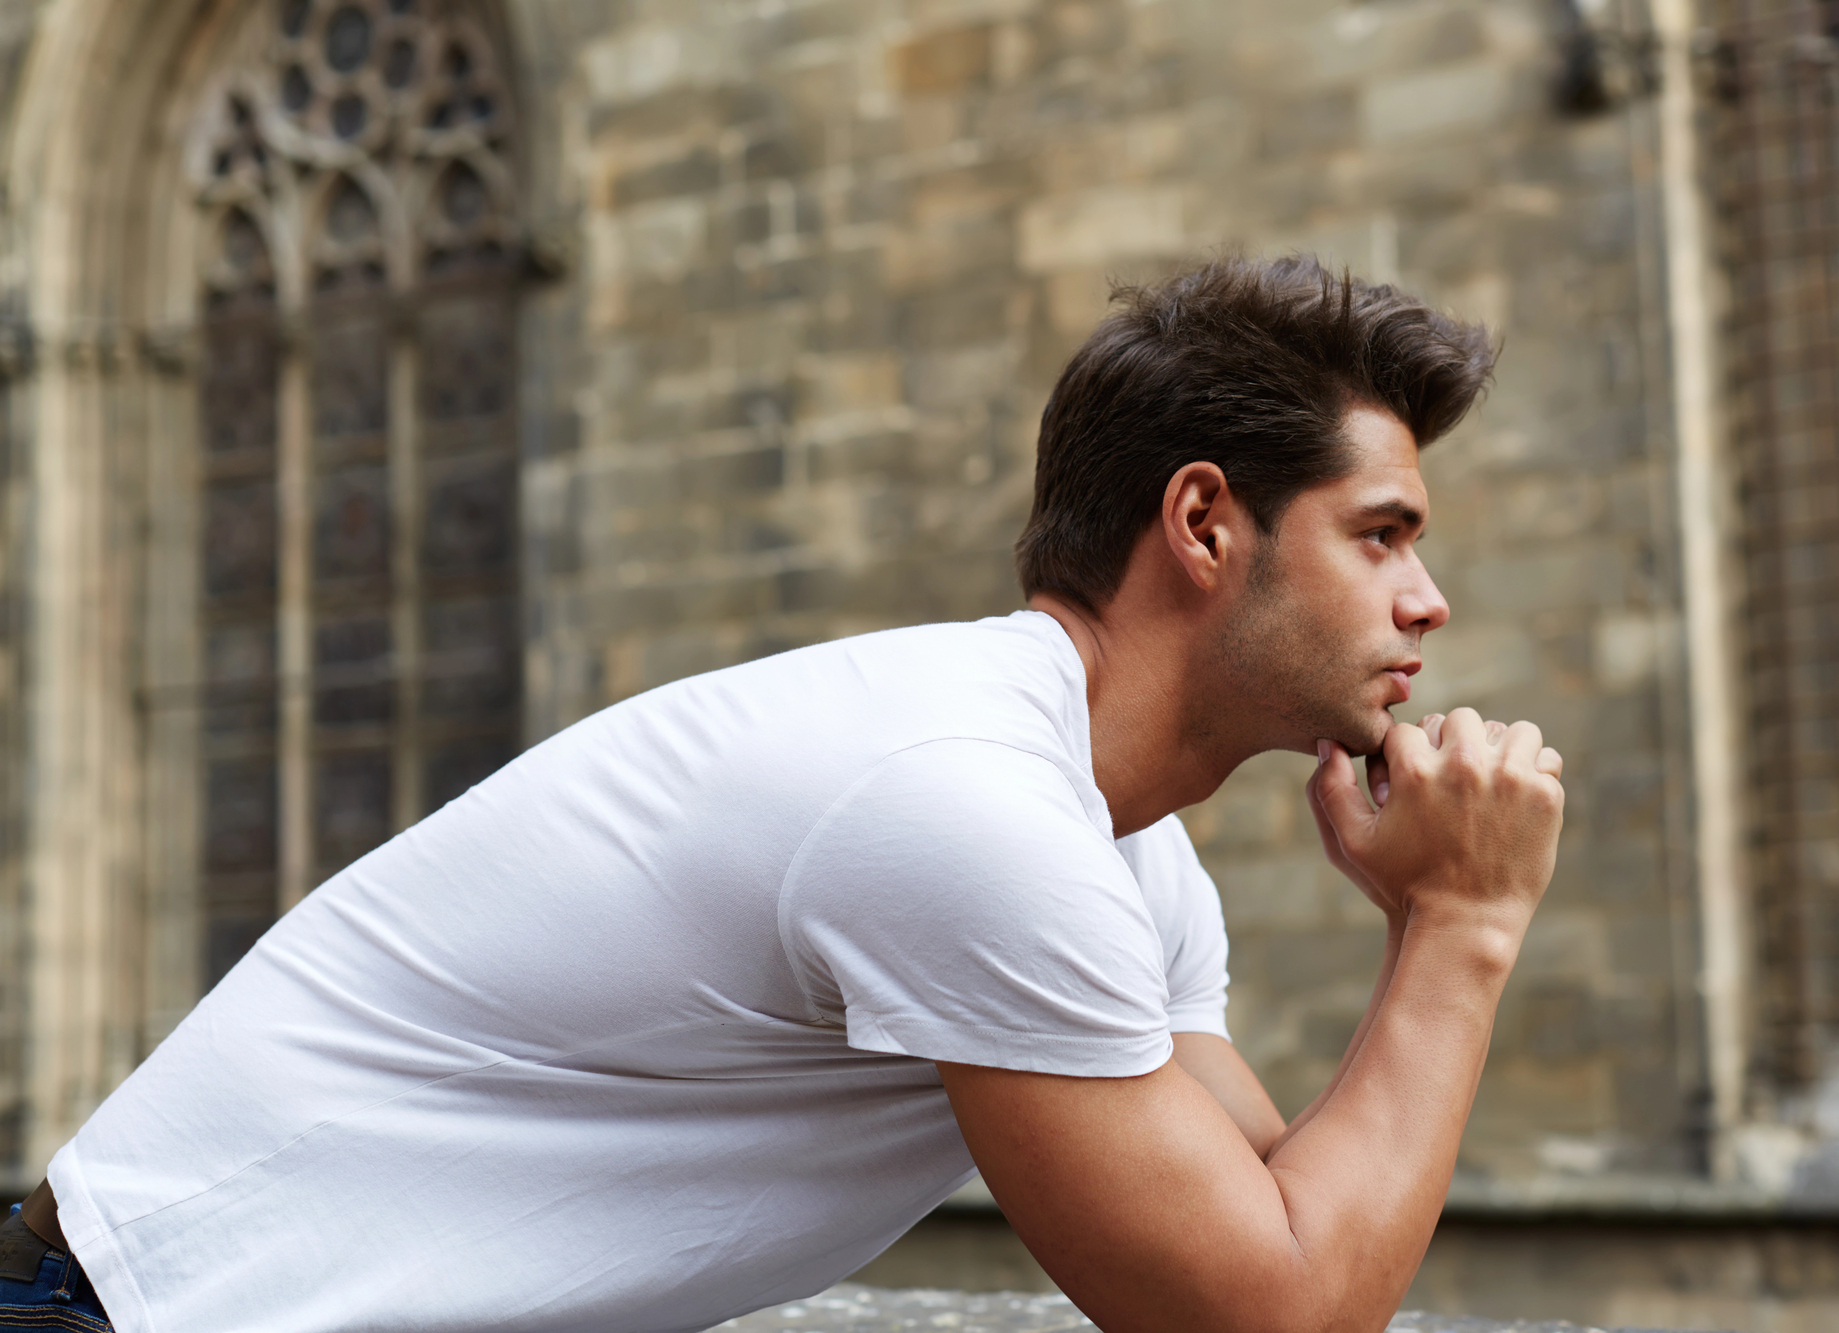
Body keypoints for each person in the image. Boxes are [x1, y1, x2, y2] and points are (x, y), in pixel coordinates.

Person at [0, 255, 1563, 1333]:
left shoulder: (1111, 851)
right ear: (1206, 525)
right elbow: (1266, 1309)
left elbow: (1277, 1221)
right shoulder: (963, 803)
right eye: (1382, 533)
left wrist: (1440, 927)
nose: (1430, 600)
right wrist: (1463, 923)